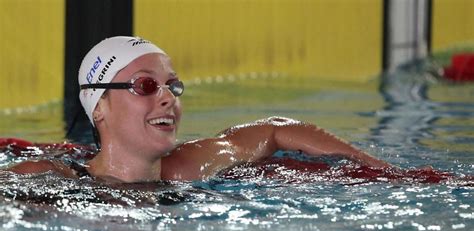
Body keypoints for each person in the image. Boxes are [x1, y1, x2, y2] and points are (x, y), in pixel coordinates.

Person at [8, 36, 390, 183]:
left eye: (172, 86)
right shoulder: (48, 176)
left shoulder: (189, 166)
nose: (167, 97)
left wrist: (370, 165)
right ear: (100, 108)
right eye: (145, 85)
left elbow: (273, 129)